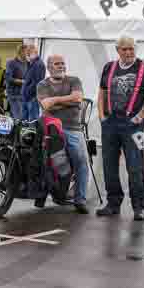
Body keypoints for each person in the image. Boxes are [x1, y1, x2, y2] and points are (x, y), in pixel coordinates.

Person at [96, 35, 144, 221]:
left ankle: (139, 206)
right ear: (117, 50)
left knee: (135, 166)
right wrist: (101, 116)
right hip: (110, 123)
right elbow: (102, 93)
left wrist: (140, 116)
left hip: (132, 124)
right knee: (109, 165)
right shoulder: (109, 67)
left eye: (131, 48)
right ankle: (113, 203)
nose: (129, 52)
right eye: (125, 49)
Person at [36, 54, 90, 214]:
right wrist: (68, 101)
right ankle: (41, 195)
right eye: (57, 64)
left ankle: (80, 200)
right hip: (49, 128)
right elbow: (46, 105)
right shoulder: (42, 84)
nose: (61, 66)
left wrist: (55, 101)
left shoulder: (74, 80)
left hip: (72, 127)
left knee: (81, 161)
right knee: (42, 161)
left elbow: (78, 98)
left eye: (62, 63)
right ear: (49, 67)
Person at [21, 44, 45, 121]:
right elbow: (28, 81)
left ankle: (32, 133)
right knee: (25, 121)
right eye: (26, 54)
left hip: (32, 98)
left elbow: (37, 83)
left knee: (33, 122)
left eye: (28, 54)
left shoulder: (38, 64)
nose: (26, 56)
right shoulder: (31, 64)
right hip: (27, 98)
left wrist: (27, 92)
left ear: (34, 52)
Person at [5, 44, 28, 118]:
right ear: (20, 52)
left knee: (19, 118)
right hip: (14, 95)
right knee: (19, 117)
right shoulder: (11, 63)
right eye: (27, 52)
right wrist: (23, 82)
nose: (28, 54)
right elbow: (8, 78)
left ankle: (14, 128)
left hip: (24, 95)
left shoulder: (28, 63)